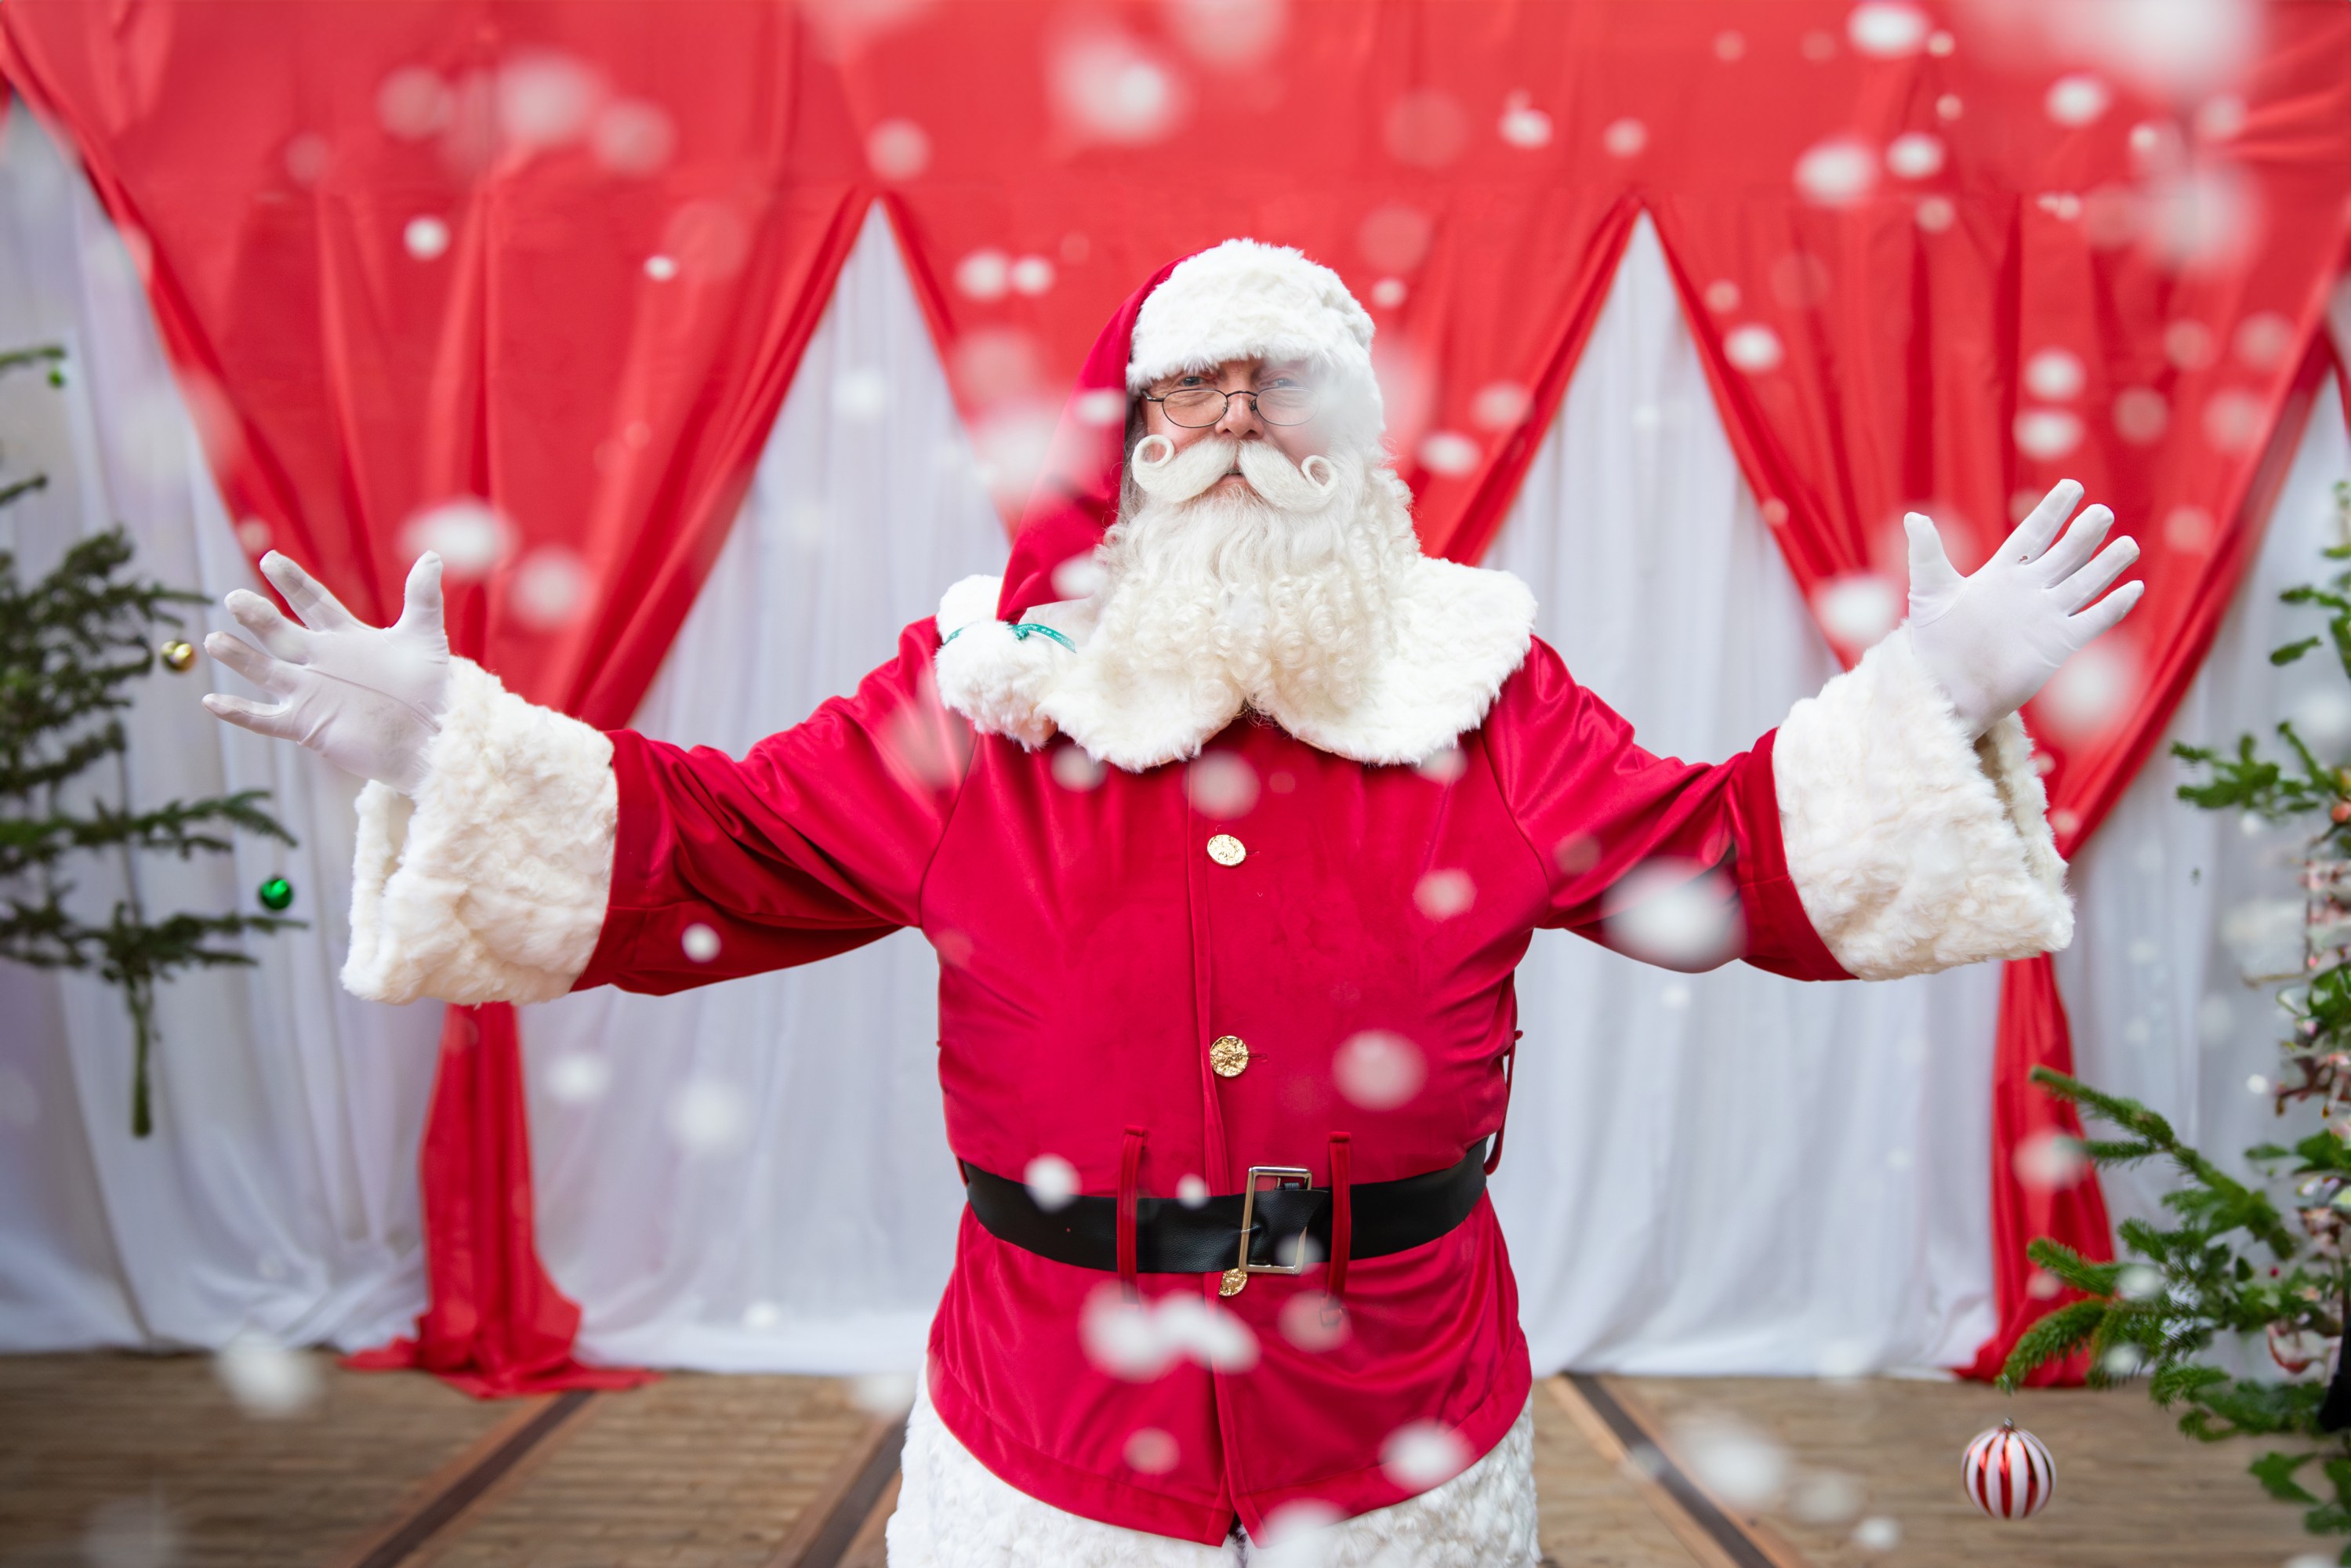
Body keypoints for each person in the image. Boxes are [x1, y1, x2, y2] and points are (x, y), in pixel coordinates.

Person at [201, 239, 2141, 1566]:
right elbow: (711, 847)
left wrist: (1932, 690)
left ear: (1354, 440)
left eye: (1281, 391)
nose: (1233, 431)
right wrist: (440, 736)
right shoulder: (978, 701)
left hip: (1397, 1425)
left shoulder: (1480, 690)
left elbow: (1717, 866)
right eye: (1189, 393)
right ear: (1121, 447)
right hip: (1049, 1438)